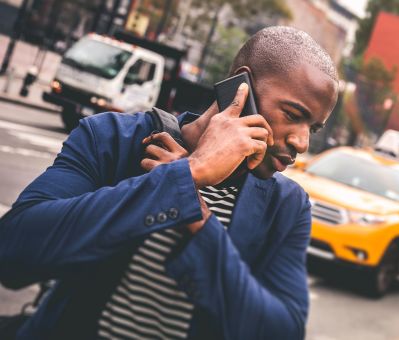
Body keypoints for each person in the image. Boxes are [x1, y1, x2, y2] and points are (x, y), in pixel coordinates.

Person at [0, 26, 338, 339]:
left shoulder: (287, 207)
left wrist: (196, 216)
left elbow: (282, 331)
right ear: (241, 87)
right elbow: (13, 253)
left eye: (314, 128)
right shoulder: (112, 138)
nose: (302, 142)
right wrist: (191, 172)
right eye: (293, 115)